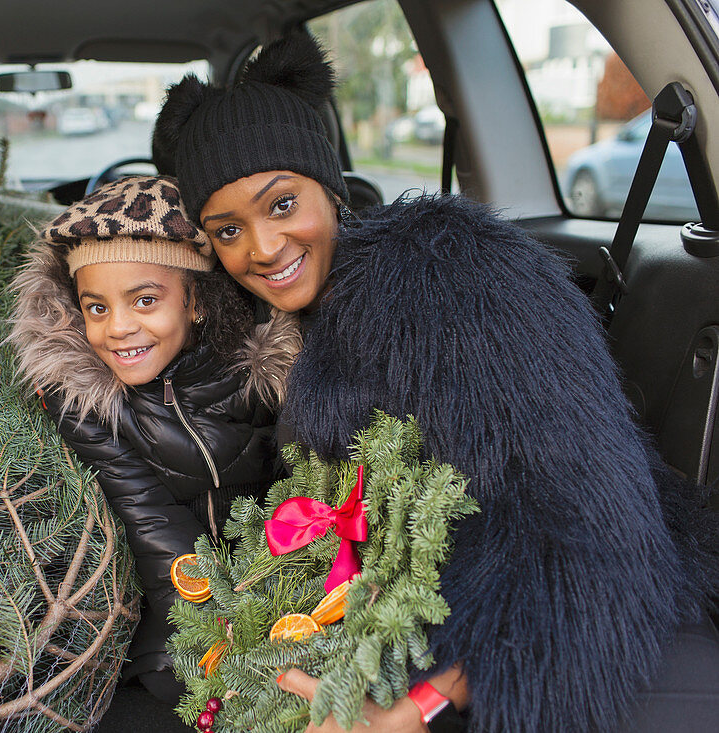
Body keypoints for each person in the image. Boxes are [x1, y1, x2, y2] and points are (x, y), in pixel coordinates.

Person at [152, 31, 719, 732]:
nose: (263, 249)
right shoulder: (277, 332)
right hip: (437, 633)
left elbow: (571, 529)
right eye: (227, 229)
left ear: (329, 188)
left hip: (570, 651)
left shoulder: (447, 279)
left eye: (280, 205)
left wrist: (420, 703)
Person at [7, 175, 301, 702]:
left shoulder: (262, 372)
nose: (117, 327)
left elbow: (300, 479)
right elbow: (150, 518)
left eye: (144, 301)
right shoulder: (91, 405)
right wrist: (213, 629)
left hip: (282, 574)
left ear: (197, 302)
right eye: (96, 308)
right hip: (178, 603)